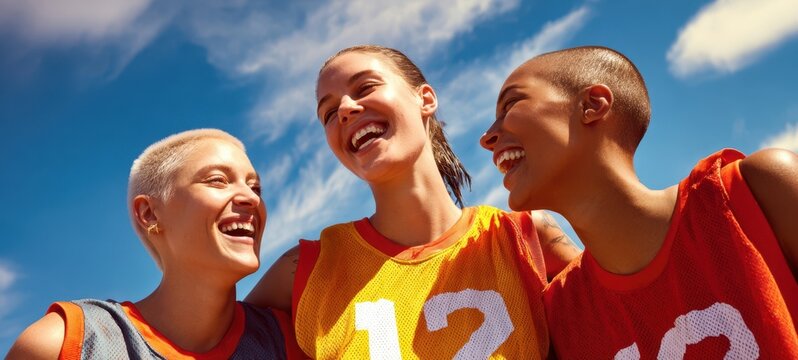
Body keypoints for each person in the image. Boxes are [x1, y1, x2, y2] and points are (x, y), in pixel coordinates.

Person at [245, 45, 581, 358]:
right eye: (329, 112)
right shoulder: (304, 270)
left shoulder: (525, 237)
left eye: (364, 88)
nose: (345, 109)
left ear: (426, 98)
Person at [479, 45, 798, 358]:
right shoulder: (560, 319)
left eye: (511, 104)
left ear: (592, 105)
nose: (487, 137)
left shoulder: (752, 193)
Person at [7, 129, 300, 359]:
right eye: (217, 180)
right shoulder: (67, 343)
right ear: (149, 213)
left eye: (255, 187)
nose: (251, 198)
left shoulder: (291, 339)